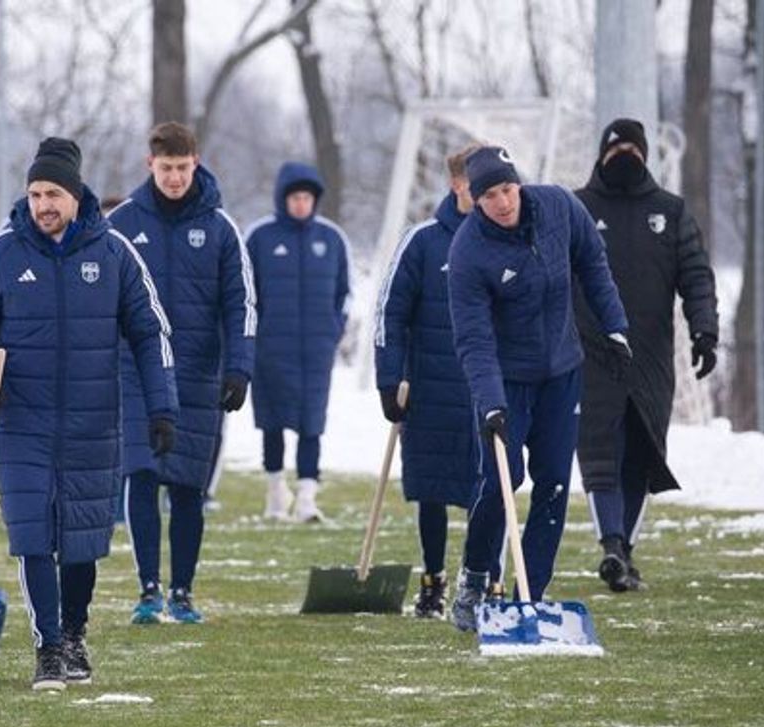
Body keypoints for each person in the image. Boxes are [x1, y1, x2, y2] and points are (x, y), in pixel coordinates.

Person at [0, 136, 177, 690]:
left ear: (76, 196)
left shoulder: (116, 254)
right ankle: (48, 646)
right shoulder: (2, 253)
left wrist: (162, 406)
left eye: (52, 193)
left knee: (80, 540)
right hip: (22, 423)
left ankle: (74, 633)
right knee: (33, 535)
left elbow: (152, 333)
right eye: (34, 194)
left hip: (91, 423)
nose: (43, 205)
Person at [446, 146, 630, 632]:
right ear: (476, 200)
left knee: (553, 482)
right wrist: (490, 403)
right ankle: (474, 574)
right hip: (504, 379)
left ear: (518, 185)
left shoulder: (559, 207)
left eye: (507, 189)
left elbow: (593, 261)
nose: (503, 202)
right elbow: (473, 339)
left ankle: (532, 593)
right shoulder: (468, 252)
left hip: (561, 372)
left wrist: (614, 326)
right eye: (490, 195)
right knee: (501, 482)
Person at [105, 122, 255, 625]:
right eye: (166, 168)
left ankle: (183, 591)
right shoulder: (121, 224)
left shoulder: (220, 228)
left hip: (198, 374)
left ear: (196, 163)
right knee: (142, 475)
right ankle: (148, 589)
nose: (174, 177)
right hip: (135, 372)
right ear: (150, 166)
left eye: (182, 168)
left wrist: (239, 366)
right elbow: (101, 301)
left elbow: (242, 303)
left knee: (189, 486)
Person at [574, 118, 719, 591]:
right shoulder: (578, 208)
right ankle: (611, 544)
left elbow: (696, 277)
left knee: (640, 454)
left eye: (632, 152)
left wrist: (704, 332)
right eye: (615, 152)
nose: (624, 160)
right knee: (600, 452)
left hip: (651, 356)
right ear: (600, 156)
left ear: (645, 156)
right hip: (590, 354)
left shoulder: (670, 212)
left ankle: (624, 550)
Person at [374, 146, 488, 618]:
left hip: (487, 391)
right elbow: (390, 313)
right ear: (456, 184)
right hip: (431, 390)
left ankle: (486, 581)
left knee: (488, 490)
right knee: (433, 491)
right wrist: (389, 378)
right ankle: (433, 581)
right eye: (473, 182)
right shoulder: (422, 242)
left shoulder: (506, 239)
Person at [244, 161, 351, 523]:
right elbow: (244, 294)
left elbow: (345, 293)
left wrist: (334, 330)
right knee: (271, 423)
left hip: (316, 353)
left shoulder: (332, 238)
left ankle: (307, 497)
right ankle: (276, 493)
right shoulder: (260, 237)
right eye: (295, 197)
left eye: (307, 197)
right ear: (282, 198)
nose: (301, 204)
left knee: (312, 423)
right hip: (270, 353)